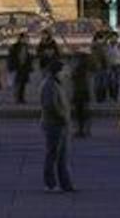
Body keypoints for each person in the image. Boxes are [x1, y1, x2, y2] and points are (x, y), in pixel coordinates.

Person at [40, 58, 75, 193]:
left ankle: (65, 184)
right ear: (57, 71)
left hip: (60, 124)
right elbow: (50, 105)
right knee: (53, 155)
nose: (66, 73)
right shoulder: (50, 85)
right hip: (54, 124)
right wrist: (62, 116)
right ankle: (50, 184)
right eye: (64, 70)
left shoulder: (57, 83)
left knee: (62, 156)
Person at [71, 52, 93, 138]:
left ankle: (81, 130)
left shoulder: (80, 68)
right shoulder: (86, 67)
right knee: (84, 112)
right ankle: (85, 130)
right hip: (84, 92)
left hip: (79, 92)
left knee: (79, 112)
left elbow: (74, 78)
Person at [8, 32, 33, 103]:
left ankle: (21, 98)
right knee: (17, 83)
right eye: (24, 38)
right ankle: (17, 98)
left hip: (24, 68)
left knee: (23, 84)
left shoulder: (26, 47)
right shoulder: (15, 47)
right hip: (17, 68)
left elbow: (28, 57)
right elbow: (12, 57)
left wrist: (29, 67)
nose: (25, 39)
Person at [106, 34, 120, 101]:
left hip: (117, 65)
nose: (114, 39)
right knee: (109, 80)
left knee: (117, 81)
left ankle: (115, 96)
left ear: (117, 39)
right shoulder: (107, 46)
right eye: (112, 38)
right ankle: (111, 94)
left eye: (115, 38)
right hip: (110, 65)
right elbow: (106, 55)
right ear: (110, 38)